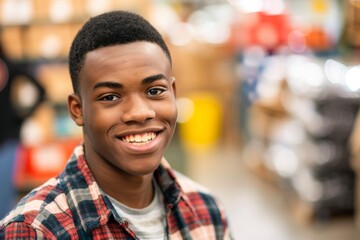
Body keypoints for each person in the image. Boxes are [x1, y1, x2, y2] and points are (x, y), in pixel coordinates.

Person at [0, 10, 231, 239]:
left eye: (154, 91)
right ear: (77, 110)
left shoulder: (206, 210)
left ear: (173, 93)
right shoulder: (34, 230)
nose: (140, 113)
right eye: (110, 97)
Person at [0, 37, 45, 219]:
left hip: (9, 138)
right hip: (10, 135)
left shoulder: (10, 67)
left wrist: (23, 115)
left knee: (4, 192)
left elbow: (41, 89)